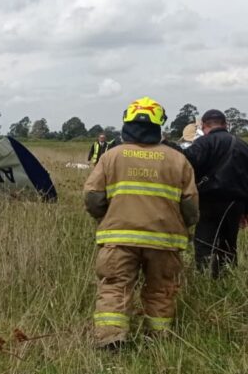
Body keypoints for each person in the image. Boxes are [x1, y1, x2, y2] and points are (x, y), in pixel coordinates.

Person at [84, 97, 199, 349]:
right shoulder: (177, 160)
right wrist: (185, 226)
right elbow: (190, 205)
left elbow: (93, 197)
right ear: (159, 125)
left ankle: (111, 340)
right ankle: (158, 339)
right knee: (161, 289)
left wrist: (106, 217)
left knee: (114, 287)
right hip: (165, 239)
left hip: (118, 238)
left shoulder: (111, 156)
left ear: (127, 123)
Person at [184, 109, 248, 279]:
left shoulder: (202, 143)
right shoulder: (243, 145)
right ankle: (228, 279)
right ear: (226, 124)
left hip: (208, 202)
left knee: (204, 242)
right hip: (235, 203)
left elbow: (187, 168)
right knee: (229, 244)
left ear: (204, 126)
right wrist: (247, 210)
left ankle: (206, 279)